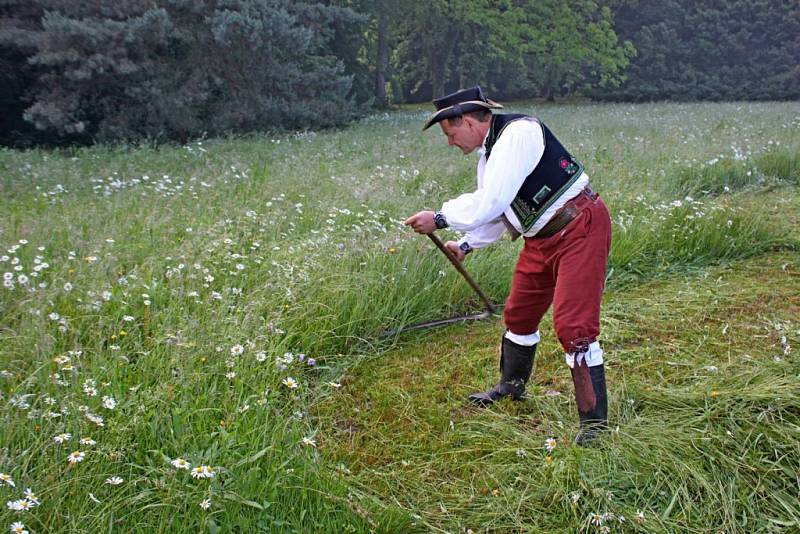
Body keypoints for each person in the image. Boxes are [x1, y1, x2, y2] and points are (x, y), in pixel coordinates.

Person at [404, 86, 612, 445]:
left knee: (574, 326)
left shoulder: (519, 133)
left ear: (468, 121)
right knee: (518, 314)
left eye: (450, 134)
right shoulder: (491, 155)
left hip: (579, 226)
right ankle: (511, 387)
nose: (451, 143)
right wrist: (467, 244)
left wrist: (439, 218)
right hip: (541, 238)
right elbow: (502, 210)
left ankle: (594, 425)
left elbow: (491, 201)